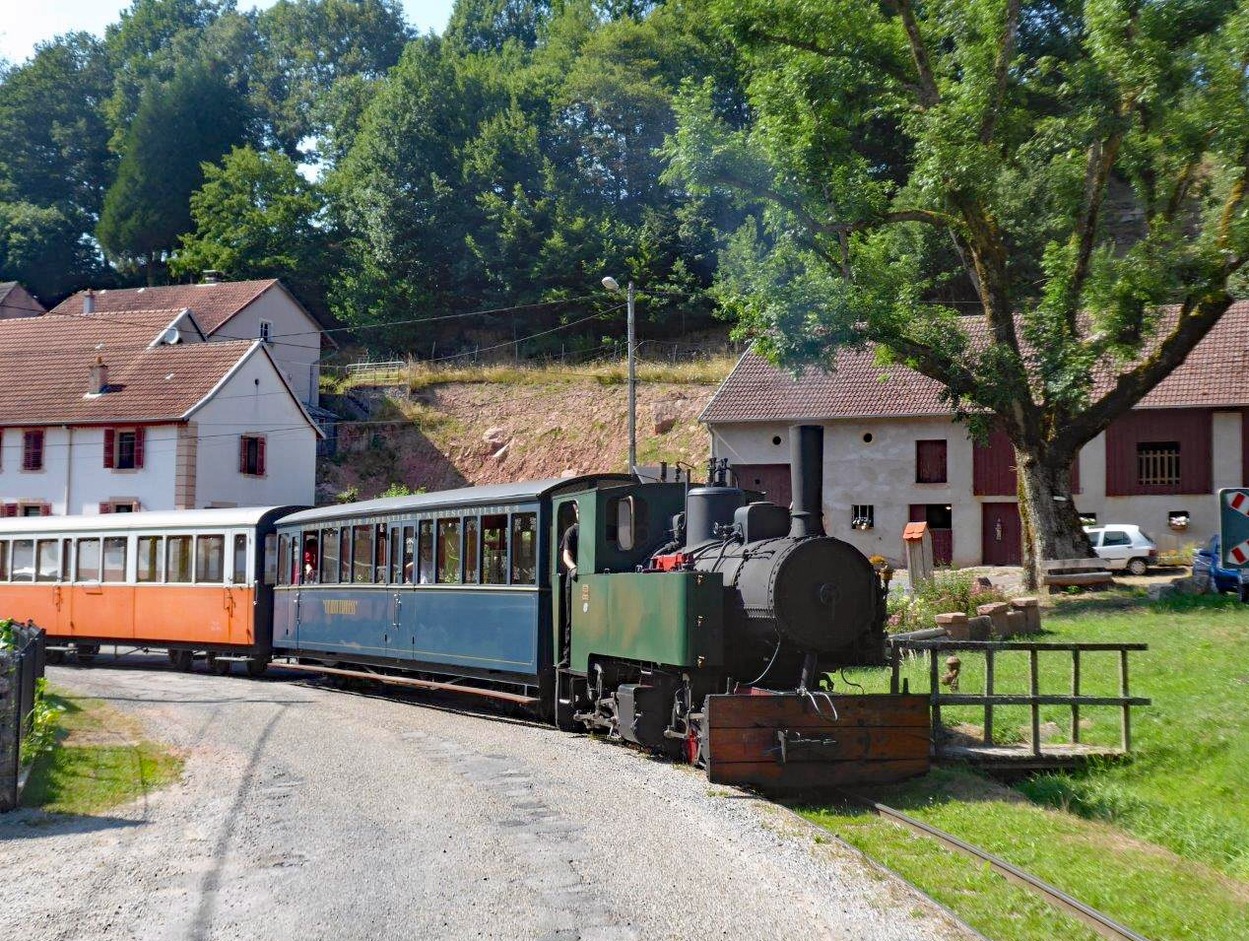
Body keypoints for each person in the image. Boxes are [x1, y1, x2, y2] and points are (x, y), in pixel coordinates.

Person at [561, 502, 580, 578]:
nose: (580, 515)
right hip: (574, 579)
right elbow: (566, 555)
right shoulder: (571, 531)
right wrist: (573, 568)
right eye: (578, 512)